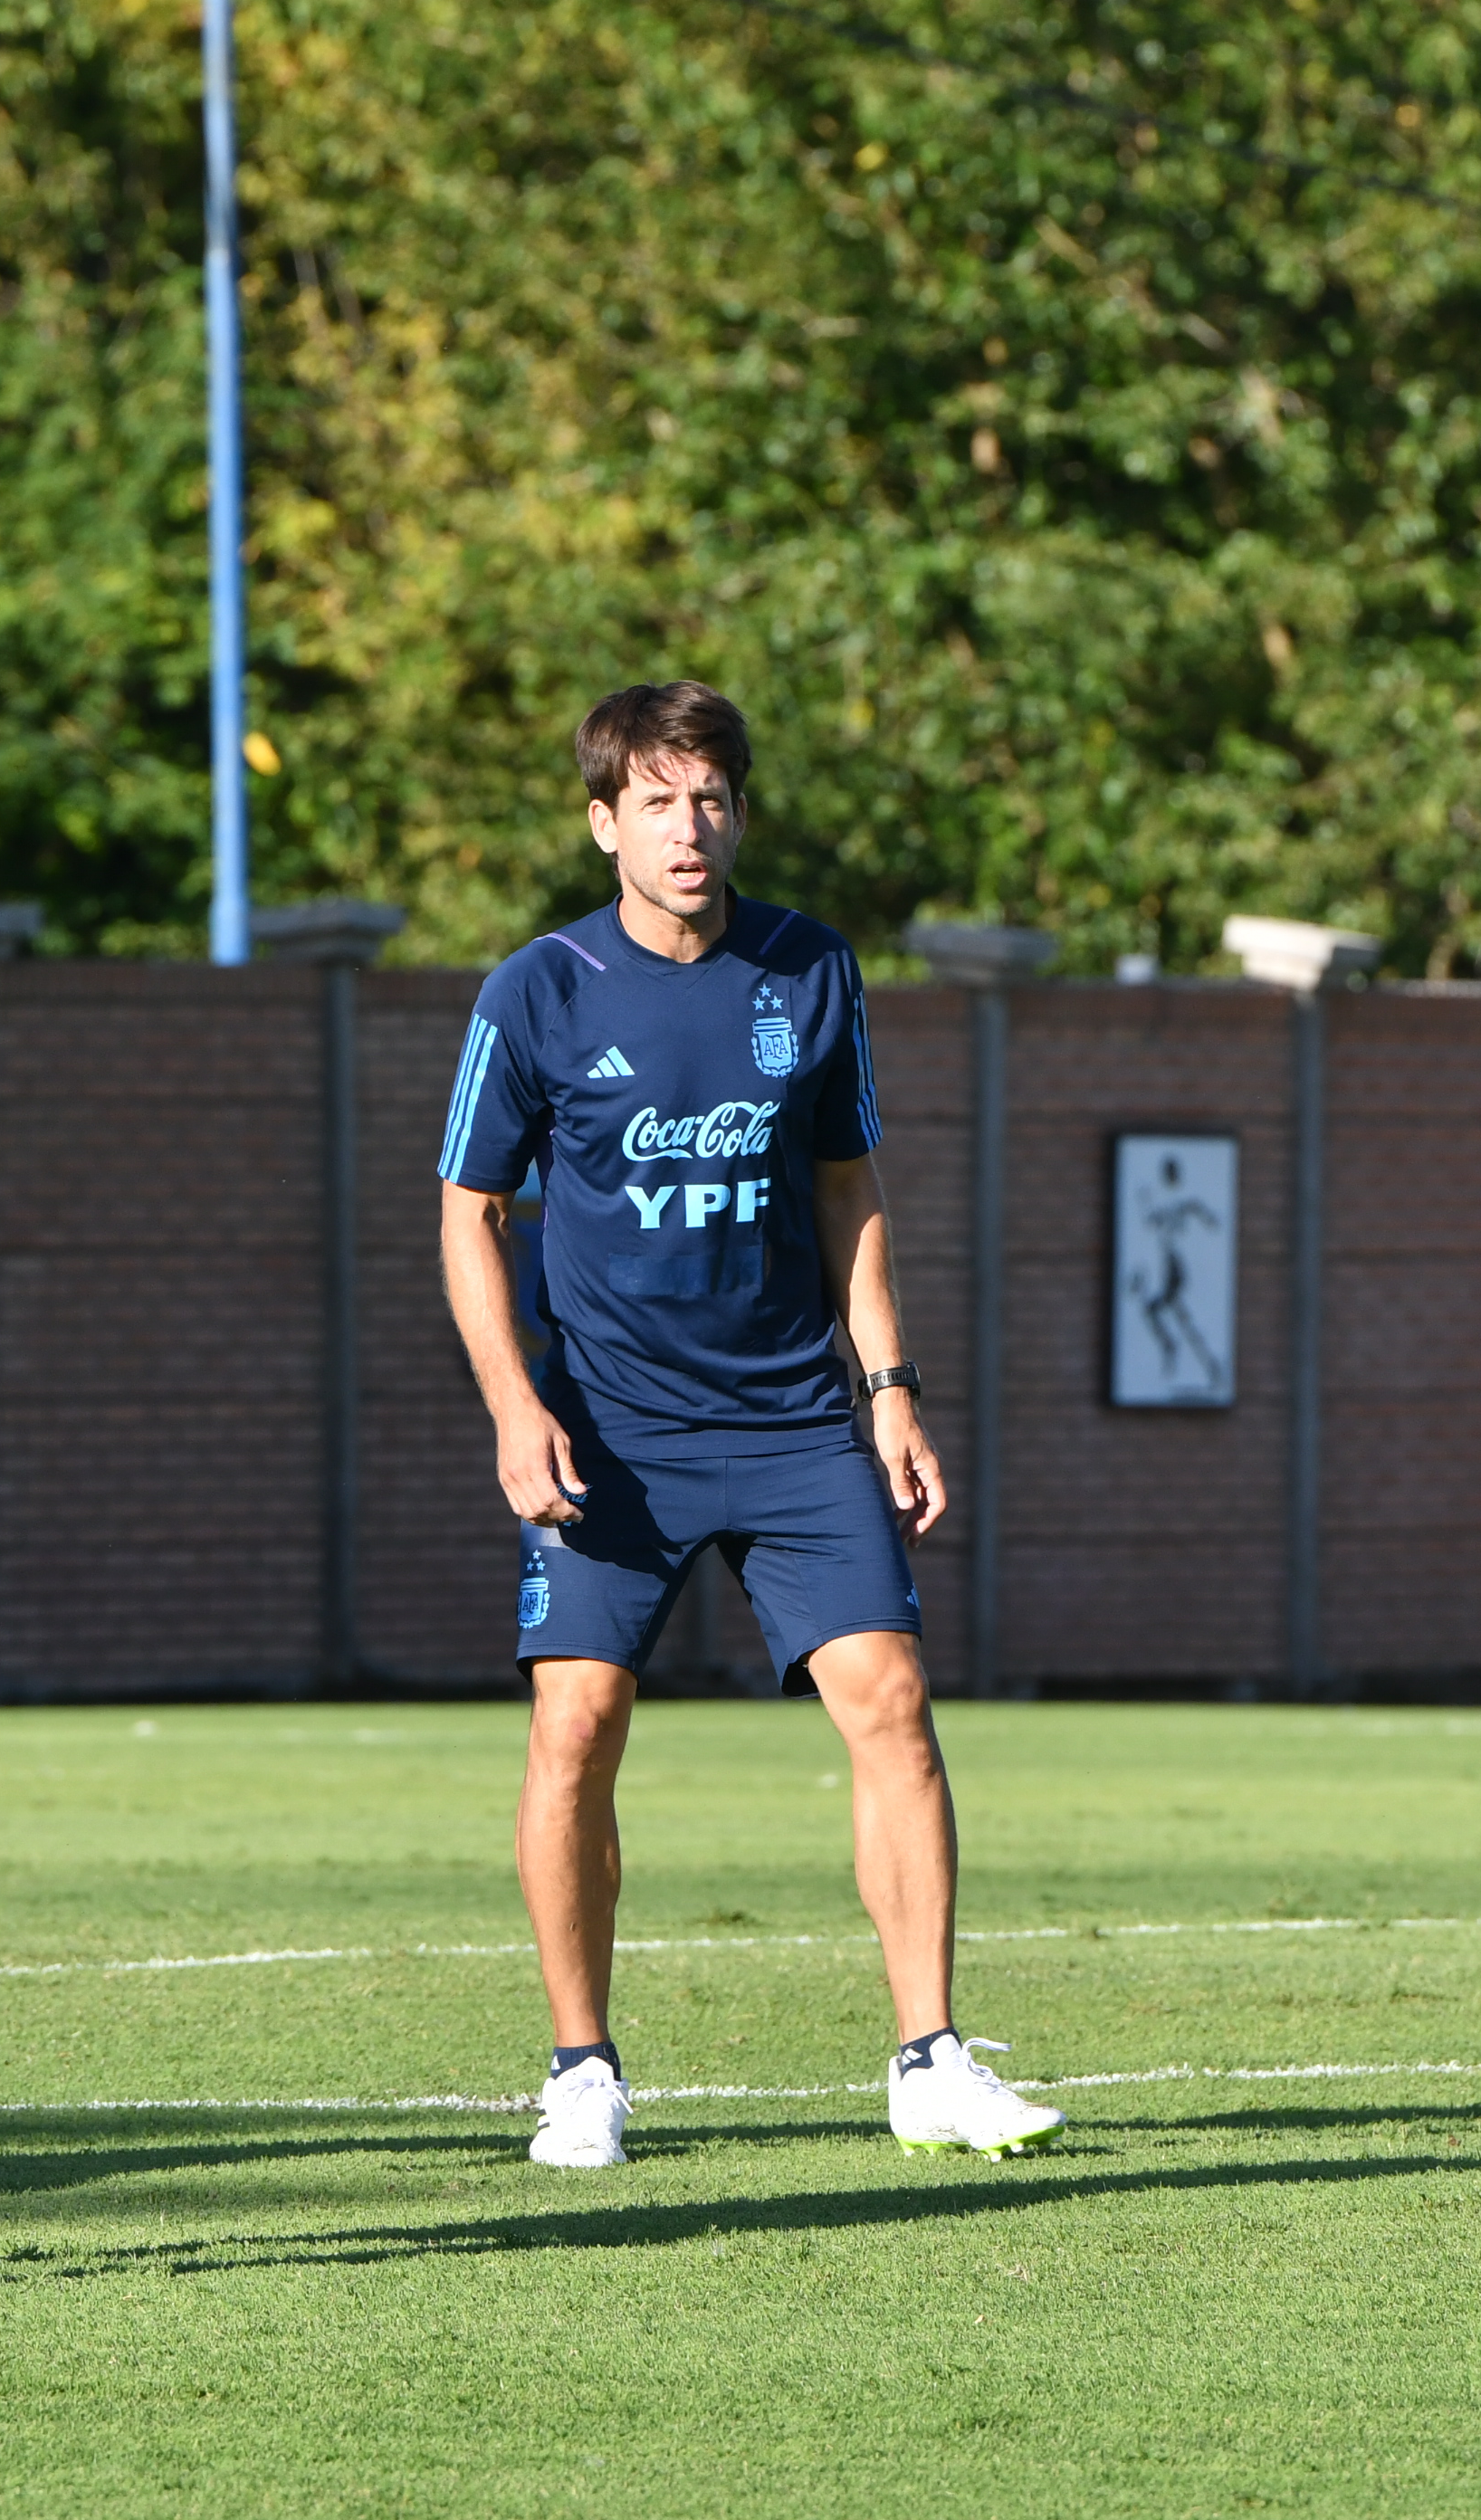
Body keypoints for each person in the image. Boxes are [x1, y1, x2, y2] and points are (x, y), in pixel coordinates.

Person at [437, 679, 1066, 2169]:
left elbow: (850, 1191)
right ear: (605, 825)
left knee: (894, 1706)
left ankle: (930, 2061)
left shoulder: (811, 972)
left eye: (710, 797)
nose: (688, 829)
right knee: (576, 1724)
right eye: (655, 801)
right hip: (610, 1435)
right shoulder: (539, 991)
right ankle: (580, 2072)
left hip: (793, 1425)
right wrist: (515, 1409)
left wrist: (892, 1390)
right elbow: (470, 1215)